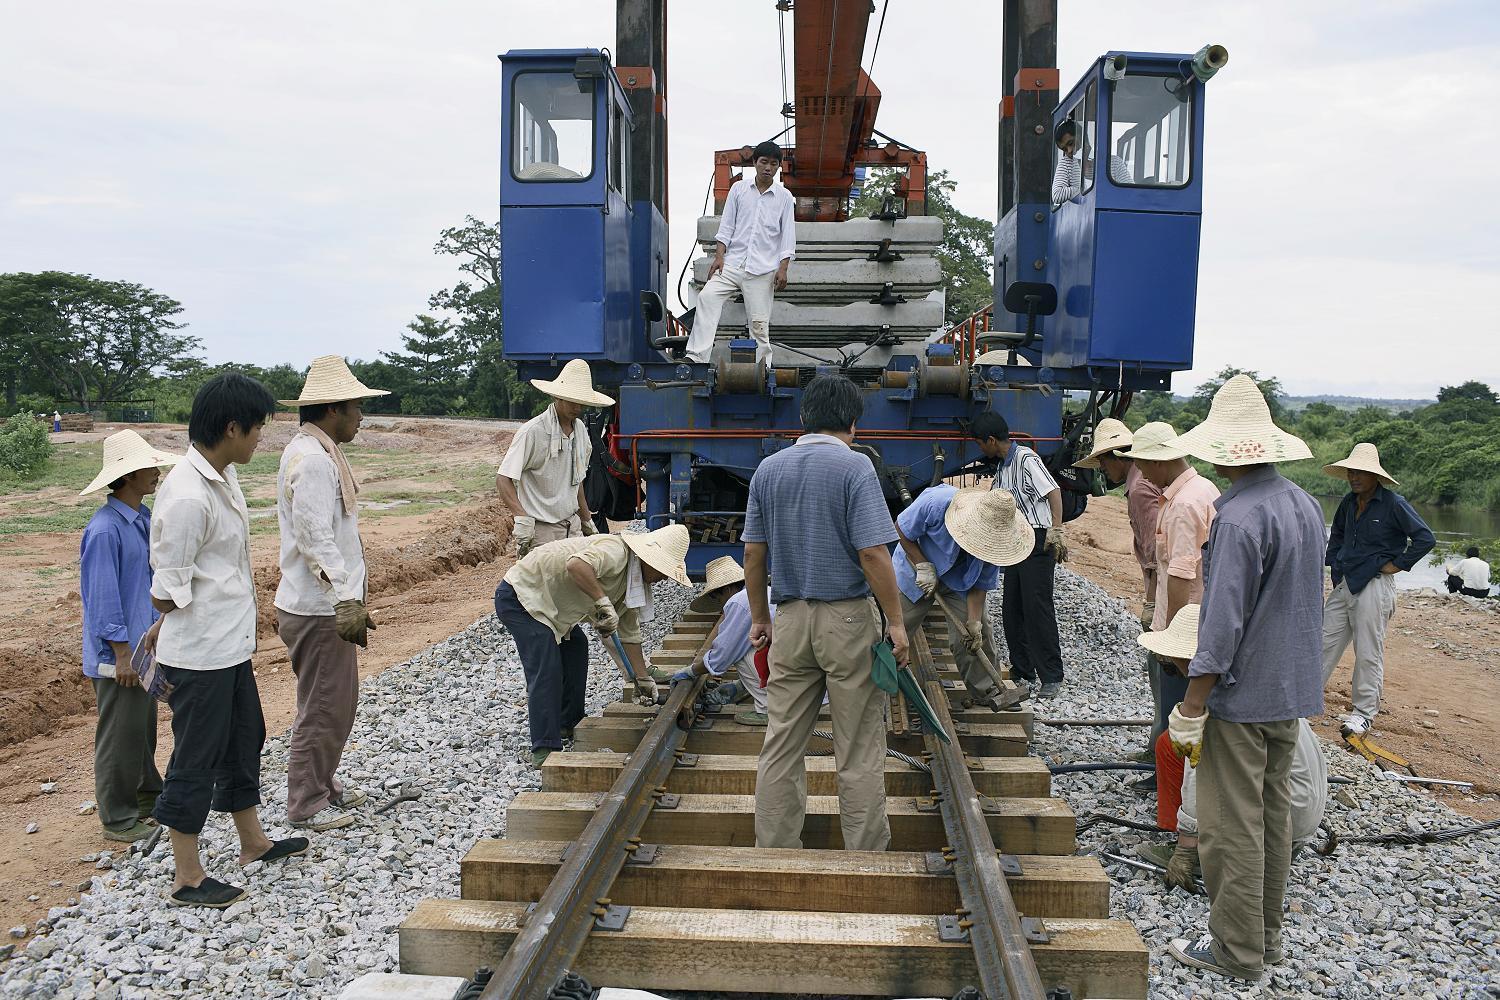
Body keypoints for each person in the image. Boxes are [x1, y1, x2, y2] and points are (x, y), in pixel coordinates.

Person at [1160, 374, 1326, 982]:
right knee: (1272, 818)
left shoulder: (1238, 518)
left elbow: (1223, 622)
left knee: (1232, 827)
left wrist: (1193, 702)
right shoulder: (1304, 505)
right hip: (1288, 693)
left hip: (1241, 696)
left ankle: (1236, 949)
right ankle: (1268, 936)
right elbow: (1307, 601)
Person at [150, 373, 307, 908]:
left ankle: (252, 842)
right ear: (232, 426)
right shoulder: (188, 495)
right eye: (257, 427)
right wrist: (173, 616)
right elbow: (165, 589)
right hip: (199, 655)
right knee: (196, 756)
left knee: (246, 739)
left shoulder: (222, 475)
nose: (261, 437)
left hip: (229, 647)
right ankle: (187, 876)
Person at [745, 374, 907, 852]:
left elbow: (754, 554)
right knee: (856, 748)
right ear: (853, 422)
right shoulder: (855, 468)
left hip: (790, 619)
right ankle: (865, 857)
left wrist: (760, 618)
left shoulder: (768, 470)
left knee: (781, 744)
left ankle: (774, 852)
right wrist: (896, 622)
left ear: (803, 418)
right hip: (848, 621)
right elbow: (873, 554)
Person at [274, 356, 389, 832]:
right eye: (356, 406)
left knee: (334, 702)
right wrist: (345, 597)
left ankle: (323, 784)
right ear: (333, 409)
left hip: (321, 606)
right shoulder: (315, 462)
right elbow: (314, 535)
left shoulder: (315, 452)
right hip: (318, 608)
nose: (361, 416)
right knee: (324, 705)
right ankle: (306, 801)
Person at [1137, 605, 1328, 891]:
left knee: (1179, 744)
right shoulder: (1258, 682)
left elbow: (1195, 779)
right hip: (1301, 820)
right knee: (1169, 744)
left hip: (1277, 824)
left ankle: (1205, 853)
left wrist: (1187, 849)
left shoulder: (1216, 703)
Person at [495, 523, 689, 767]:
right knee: (547, 667)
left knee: (577, 648)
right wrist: (602, 602)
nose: (663, 579)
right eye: (663, 571)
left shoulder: (633, 585)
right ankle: (544, 748)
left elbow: (629, 636)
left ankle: (569, 723)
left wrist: (642, 680)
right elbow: (576, 565)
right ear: (649, 560)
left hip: (551, 607)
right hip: (522, 596)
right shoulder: (617, 551)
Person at [78, 430, 180, 843]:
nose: (156, 473)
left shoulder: (140, 518)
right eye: (150, 467)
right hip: (119, 653)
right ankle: (117, 816)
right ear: (130, 474)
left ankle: (144, 799)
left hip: (141, 645)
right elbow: (102, 599)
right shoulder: (105, 531)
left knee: (141, 729)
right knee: (120, 734)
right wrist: (121, 653)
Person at [1121, 421, 1219, 772]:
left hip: (1185, 625)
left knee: (1176, 707)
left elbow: (1181, 575)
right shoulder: (1202, 489)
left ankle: (1171, 780)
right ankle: (1172, 770)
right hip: (1197, 619)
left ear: (1160, 461)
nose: (1142, 473)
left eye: (1144, 464)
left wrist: (1170, 641)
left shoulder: (1183, 505)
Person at [1320, 443, 1435, 737]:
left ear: (1375, 476)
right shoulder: (1348, 502)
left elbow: (1424, 538)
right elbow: (1338, 537)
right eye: (1351, 471)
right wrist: (1334, 566)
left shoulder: (1394, 504)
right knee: (1322, 642)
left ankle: (1362, 715)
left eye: (1361, 472)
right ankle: (1302, 702)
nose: (1354, 477)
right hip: (1345, 583)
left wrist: (1397, 564)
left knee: (1368, 651)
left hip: (1373, 585)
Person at [893, 483, 1035, 712]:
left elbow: (981, 585)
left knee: (977, 635)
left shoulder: (997, 543)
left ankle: (985, 689)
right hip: (915, 570)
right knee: (897, 627)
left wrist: (974, 621)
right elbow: (901, 529)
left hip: (959, 583)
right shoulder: (937, 503)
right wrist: (922, 564)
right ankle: (874, 683)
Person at [971, 412, 1067, 699]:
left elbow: (1053, 491)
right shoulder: (1003, 467)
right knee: (1013, 610)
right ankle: (1023, 669)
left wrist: (1057, 530)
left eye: (980, 443)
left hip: (1038, 540)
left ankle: (1051, 676)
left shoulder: (1025, 459)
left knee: (1037, 607)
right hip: (1016, 543)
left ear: (990, 440)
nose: (980, 449)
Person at [686, 140, 796, 367]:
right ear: (755, 163)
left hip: (763, 270)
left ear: (778, 167)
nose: (768, 168)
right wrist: (719, 257)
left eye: (774, 164)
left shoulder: (784, 197)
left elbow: (787, 237)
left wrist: (783, 268)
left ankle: (763, 368)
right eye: (764, 162)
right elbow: (726, 227)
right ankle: (696, 357)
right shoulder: (739, 190)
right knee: (707, 298)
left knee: (759, 323)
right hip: (732, 264)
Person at [497, 359, 614, 559]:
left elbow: (576, 483)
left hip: (572, 528)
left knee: (577, 585)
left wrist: (587, 521)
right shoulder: (533, 432)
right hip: (542, 531)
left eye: (581, 401)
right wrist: (521, 517)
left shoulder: (581, 434)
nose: (576, 406)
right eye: (571, 399)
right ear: (557, 397)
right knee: (541, 588)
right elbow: (503, 479)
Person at [667, 556, 775, 726]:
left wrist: (691, 671)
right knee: (749, 644)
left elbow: (722, 656)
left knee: (740, 652)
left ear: (727, 589)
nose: (720, 603)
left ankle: (768, 710)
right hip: (801, 670)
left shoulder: (739, 601)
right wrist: (740, 687)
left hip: (791, 670)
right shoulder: (761, 591)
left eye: (717, 598)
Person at [1075, 418, 1160, 629]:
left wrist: (1152, 603)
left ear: (1118, 458)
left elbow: (1156, 552)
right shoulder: (1144, 478)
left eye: (1102, 461)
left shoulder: (1139, 489)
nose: (1102, 468)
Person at [1051, 120, 1132, 205]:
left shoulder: (1113, 162)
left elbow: (1130, 193)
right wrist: (1085, 191)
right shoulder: (1066, 163)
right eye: (1064, 149)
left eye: (1071, 143)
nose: (1069, 150)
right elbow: (1057, 195)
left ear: (1082, 136)